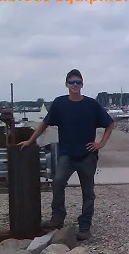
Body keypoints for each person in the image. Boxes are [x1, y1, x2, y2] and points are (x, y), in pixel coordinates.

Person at [18, 68, 115, 240]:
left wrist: (100, 143)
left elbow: (110, 124)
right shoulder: (59, 103)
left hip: (87, 156)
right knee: (57, 183)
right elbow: (44, 123)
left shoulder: (91, 104)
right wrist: (31, 141)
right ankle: (57, 219)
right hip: (66, 155)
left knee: (88, 192)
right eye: (72, 82)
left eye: (78, 82)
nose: (75, 85)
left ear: (82, 84)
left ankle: (84, 226)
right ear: (66, 85)